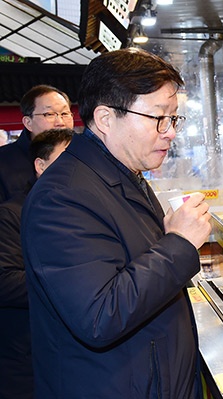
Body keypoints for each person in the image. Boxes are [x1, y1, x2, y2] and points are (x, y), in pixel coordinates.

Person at [21, 48, 212, 398]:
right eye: (159, 118)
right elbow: (99, 316)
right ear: (106, 118)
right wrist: (179, 244)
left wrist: (166, 235)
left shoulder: (123, 174)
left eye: (174, 119)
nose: (170, 132)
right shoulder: (63, 195)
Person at [0, 128, 73, 399]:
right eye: (67, 159)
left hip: (69, 356)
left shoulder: (80, 213)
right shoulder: (11, 215)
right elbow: (5, 282)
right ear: (40, 166)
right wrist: (74, 281)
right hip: (25, 359)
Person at [0, 85, 74, 202]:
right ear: (28, 122)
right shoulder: (4, 161)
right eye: (49, 114)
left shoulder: (85, 156)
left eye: (65, 114)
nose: (60, 122)